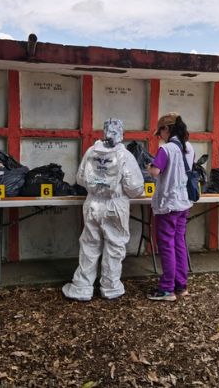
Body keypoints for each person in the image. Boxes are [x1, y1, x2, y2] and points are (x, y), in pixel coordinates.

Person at [62, 118, 145, 301]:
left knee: (90, 245)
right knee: (114, 246)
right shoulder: (124, 156)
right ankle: (111, 287)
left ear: (103, 131)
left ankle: (82, 288)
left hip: (93, 204)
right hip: (115, 205)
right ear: (121, 133)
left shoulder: (91, 152)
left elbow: (81, 178)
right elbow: (135, 187)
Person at [146, 113, 194, 301]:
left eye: (161, 133)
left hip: (168, 205)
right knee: (179, 243)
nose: (160, 137)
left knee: (166, 245)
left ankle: (167, 289)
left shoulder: (166, 150)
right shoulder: (189, 148)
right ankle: (181, 286)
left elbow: (156, 172)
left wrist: (149, 166)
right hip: (184, 203)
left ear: (167, 129)